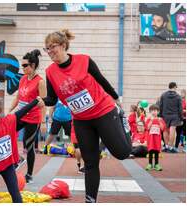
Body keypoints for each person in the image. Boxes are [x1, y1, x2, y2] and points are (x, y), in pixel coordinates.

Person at [40, 29, 132, 203]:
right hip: (82, 121)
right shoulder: (50, 71)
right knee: (90, 163)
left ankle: (121, 118)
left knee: (122, 153)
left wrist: (116, 99)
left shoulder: (84, 60)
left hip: (103, 111)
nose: (50, 52)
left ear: (63, 45)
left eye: (52, 47)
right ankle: (90, 200)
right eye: (47, 49)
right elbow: (52, 99)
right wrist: (40, 101)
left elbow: (102, 80)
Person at [0, 95, 44, 203]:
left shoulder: (7, 122)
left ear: (0, 112)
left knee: (14, 192)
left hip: (8, 166)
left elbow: (21, 112)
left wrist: (35, 101)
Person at [8, 49, 47, 183]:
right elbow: (18, 96)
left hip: (33, 118)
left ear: (33, 66)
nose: (22, 68)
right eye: (22, 65)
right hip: (20, 115)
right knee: (7, 133)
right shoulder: (23, 78)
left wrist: (43, 122)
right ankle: (18, 159)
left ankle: (29, 174)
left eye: (25, 65)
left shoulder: (40, 82)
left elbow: (43, 104)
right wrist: (10, 110)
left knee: (28, 145)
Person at [159, 82, 183, 153]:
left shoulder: (163, 95)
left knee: (165, 130)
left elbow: (160, 106)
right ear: (175, 87)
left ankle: (166, 146)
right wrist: (181, 118)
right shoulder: (178, 96)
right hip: (175, 115)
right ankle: (171, 147)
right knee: (173, 130)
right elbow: (180, 109)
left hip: (165, 115)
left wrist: (160, 115)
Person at [145, 104, 166, 171]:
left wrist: (159, 121)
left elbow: (162, 128)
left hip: (157, 139)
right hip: (150, 139)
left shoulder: (160, 119)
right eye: (153, 110)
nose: (154, 112)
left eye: (156, 110)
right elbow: (147, 128)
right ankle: (150, 164)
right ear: (150, 112)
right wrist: (151, 120)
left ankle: (156, 164)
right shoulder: (149, 119)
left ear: (158, 112)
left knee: (157, 151)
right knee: (150, 151)